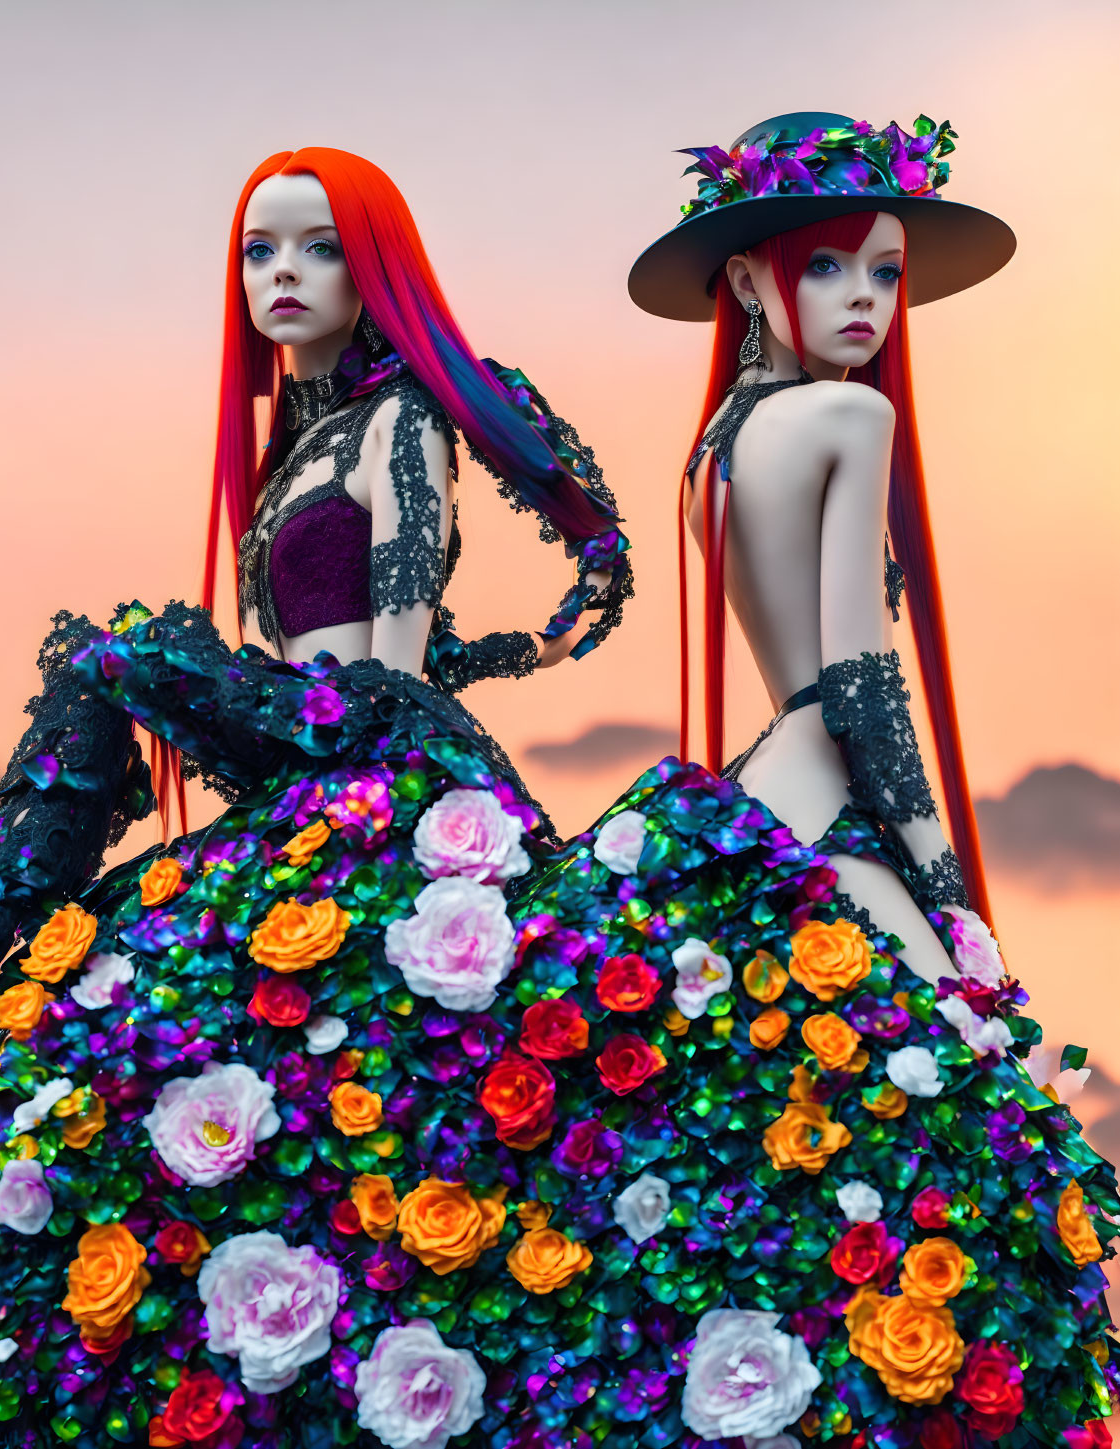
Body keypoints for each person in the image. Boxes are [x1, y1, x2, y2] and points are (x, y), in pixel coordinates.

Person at [0, 148, 631, 1449]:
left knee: (105, 664)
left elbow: (386, 687)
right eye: (259, 249)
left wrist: (179, 675)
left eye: (317, 249)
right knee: (95, 706)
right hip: (293, 778)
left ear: (377, 271)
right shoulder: (301, 438)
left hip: (375, 783)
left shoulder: (400, 424)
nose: (282, 275)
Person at [502, 112, 1117, 1440]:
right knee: (965, 1146)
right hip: (829, 800)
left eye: (885, 274)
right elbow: (858, 677)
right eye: (831, 266)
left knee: (741, 1177)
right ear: (743, 281)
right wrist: (950, 894)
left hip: (736, 807)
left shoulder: (715, 441)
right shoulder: (847, 414)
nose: (865, 302)